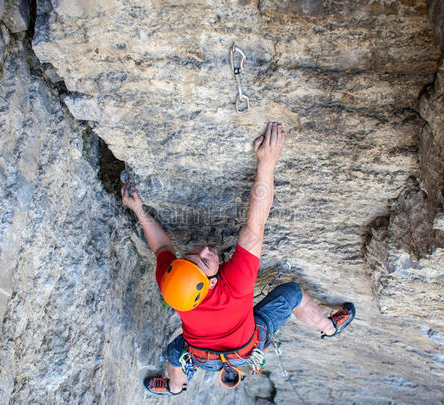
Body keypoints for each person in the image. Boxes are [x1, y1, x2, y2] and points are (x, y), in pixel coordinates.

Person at [121, 122, 355, 396]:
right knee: (291, 293)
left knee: (175, 355)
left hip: (202, 358)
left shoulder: (174, 282)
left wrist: (138, 209)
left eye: (191, 255)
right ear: (209, 284)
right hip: (244, 348)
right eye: (205, 261)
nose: (205, 250)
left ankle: (174, 387)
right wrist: (267, 163)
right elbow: (256, 223)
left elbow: (161, 246)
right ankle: (328, 327)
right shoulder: (236, 285)